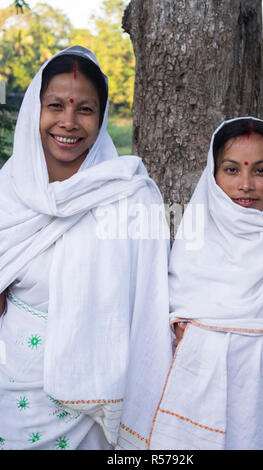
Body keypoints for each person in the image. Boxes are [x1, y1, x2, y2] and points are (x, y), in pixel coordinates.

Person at [0, 46, 172, 450]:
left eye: (85, 110)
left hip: (98, 402)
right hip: (13, 392)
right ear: (33, 111)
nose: (68, 122)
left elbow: (153, 301)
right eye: (55, 106)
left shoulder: (131, 196)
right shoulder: (7, 193)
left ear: (103, 116)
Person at [148, 116, 263, 450]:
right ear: (212, 176)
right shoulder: (189, 250)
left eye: (260, 171)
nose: (246, 184)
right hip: (201, 417)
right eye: (231, 170)